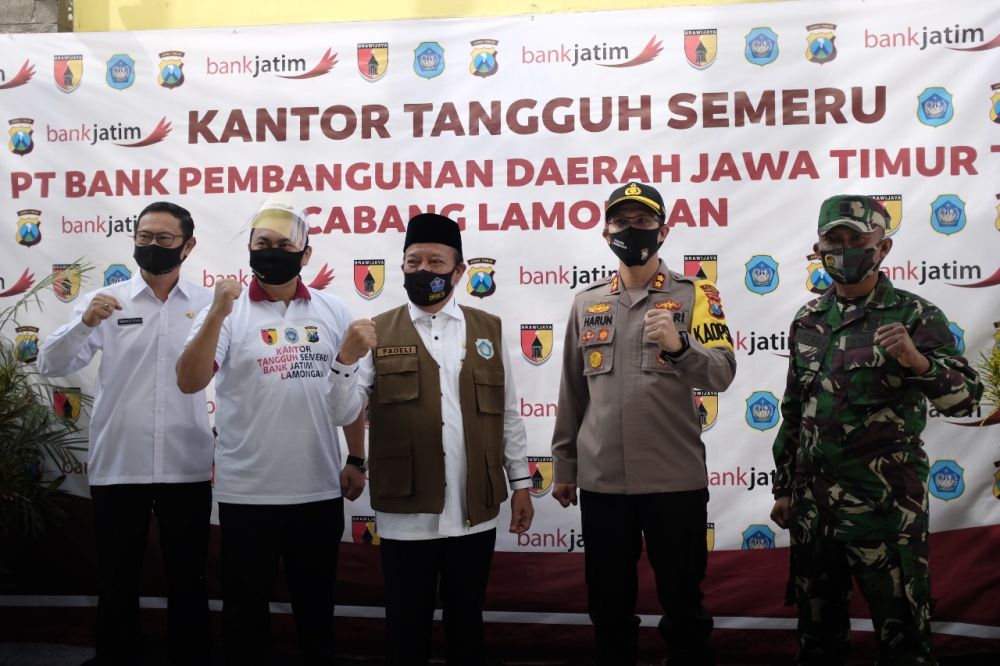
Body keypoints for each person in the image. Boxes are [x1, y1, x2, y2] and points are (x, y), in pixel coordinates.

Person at [770, 194, 983, 665]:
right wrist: (785, 488)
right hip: (814, 515)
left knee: (904, 641)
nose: (844, 250)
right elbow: (793, 411)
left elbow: (966, 400)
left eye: (857, 240)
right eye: (834, 240)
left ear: (882, 248)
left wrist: (916, 360)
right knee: (818, 642)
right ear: (818, 248)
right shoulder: (808, 320)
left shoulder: (914, 316)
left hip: (886, 513)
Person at [329, 212, 535, 665]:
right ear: (401, 267)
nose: (425, 271)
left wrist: (521, 485)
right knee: (406, 629)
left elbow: (509, 413)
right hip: (406, 513)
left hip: (473, 511)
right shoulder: (375, 331)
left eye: (437, 263)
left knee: (467, 626)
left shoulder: (489, 329)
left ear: (459, 271)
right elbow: (343, 413)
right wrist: (345, 359)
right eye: (414, 261)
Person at [550, 182, 736, 665]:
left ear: (664, 231)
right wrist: (564, 466)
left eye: (644, 222)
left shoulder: (696, 294)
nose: (632, 230)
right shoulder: (586, 302)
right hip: (602, 481)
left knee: (684, 605)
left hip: (673, 478)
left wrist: (680, 348)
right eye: (622, 222)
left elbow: (722, 373)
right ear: (605, 231)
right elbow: (572, 391)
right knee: (608, 607)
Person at [175, 196, 365, 665]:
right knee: (244, 617)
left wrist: (356, 458)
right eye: (263, 242)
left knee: (317, 613)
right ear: (249, 249)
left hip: (317, 489)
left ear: (306, 255)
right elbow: (189, 380)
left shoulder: (334, 310)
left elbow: (351, 393)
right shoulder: (226, 310)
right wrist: (217, 312)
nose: (272, 251)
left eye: (285, 244)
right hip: (248, 494)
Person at [37, 201, 214, 666]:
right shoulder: (106, 301)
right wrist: (84, 322)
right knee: (117, 578)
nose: (151, 246)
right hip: (120, 465)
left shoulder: (207, 305)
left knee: (188, 578)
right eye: (143, 237)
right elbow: (50, 364)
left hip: (186, 464)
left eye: (164, 239)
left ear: (188, 245)